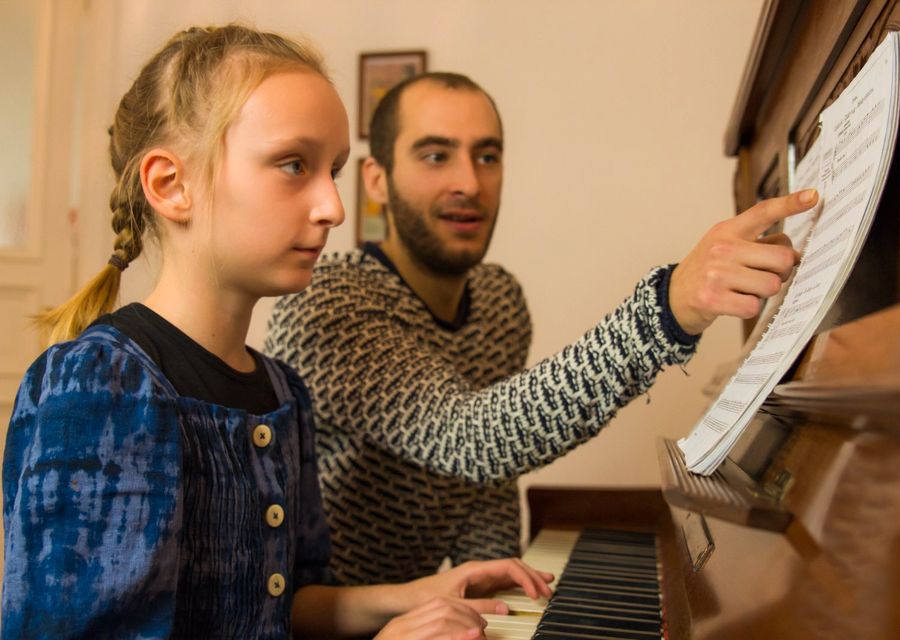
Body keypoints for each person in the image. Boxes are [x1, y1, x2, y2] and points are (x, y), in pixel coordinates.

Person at [1, 27, 554, 640]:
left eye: (333, 171)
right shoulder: (102, 386)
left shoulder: (281, 389)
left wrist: (415, 595)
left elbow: (281, 606)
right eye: (293, 165)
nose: (333, 209)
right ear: (169, 185)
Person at [265, 71, 815, 585]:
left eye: (487, 156)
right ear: (377, 180)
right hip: (327, 620)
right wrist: (668, 308)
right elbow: (473, 439)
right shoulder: (327, 299)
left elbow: (485, 491)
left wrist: (500, 611)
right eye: (435, 155)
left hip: (424, 615)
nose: (469, 182)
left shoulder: (499, 300)